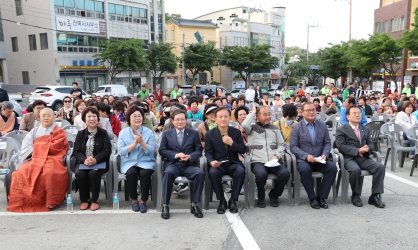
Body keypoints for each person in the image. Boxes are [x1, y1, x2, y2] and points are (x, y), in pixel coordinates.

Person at [7, 108, 69, 212]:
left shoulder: (59, 131)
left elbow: (57, 147)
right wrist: (42, 147)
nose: (46, 118)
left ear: (54, 117)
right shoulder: (34, 131)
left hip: (52, 158)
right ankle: (26, 200)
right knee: (21, 173)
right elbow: (26, 147)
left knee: (50, 172)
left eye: (49, 115)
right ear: (39, 117)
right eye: (43, 115)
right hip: (34, 158)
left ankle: (51, 201)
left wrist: (39, 146)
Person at [335, 105, 385, 208]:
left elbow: (371, 144)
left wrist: (368, 148)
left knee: (380, 167)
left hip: (363, 158)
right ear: (348, 116)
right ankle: (356, 195)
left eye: (359, 113)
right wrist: (358, 150)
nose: (357, 115)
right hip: (348, 158)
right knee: (355, 170)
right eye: (354, 113)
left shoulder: (365, 129)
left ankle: (374, 196)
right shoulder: (342, 129)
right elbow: (341, 146)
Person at [290, 102, 338, 209]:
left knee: (332, 168)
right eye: (308, 110)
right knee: (305, 170)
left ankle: (321, 197)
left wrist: (325, 154)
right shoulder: (297, 127)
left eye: (313, 109)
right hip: (304, 160)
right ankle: (312, 198)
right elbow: (293, 146)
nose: (311, 112)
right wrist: (306, 156)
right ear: (302, 113)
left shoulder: (322, 125)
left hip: (320, 158)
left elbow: (327, 143)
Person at [158, 109, 205, 219]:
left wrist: (190, 156)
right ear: (172, 121)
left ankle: (195, 204)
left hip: (188, 164)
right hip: (172, 164)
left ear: (186, 120)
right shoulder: (166, 134)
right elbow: (162, 150)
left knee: (200, 173)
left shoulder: (193, 133)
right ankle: (165, 205)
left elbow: (198, 150)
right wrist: (176, 155)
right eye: (177, 120)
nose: (180, 122)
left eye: (182, 119)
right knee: (168, 173)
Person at [243, 105, 290, 208]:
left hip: (273, 160)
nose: (268, 117)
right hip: (257, 161)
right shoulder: (252, 128)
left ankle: (274, 194)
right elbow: (245, 125)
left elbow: (281, 145)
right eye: (265, 115)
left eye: (269, 114)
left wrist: (277, 156)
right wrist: (252, 112)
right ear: (257, 116)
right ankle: (261, 196)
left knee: (285, 173)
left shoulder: (275, 129)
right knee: (261, 174)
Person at [205, 107, 247, 213]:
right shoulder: (210, 134)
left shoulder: (236, 132)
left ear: (229, 118)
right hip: (218, 163)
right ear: (215, 118)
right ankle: (221, 201)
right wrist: (211, 161)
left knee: (240, 171)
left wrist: (232, 143)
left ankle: (233, 200)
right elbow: (208, 152)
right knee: (213, 173)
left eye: (225, 117)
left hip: (233, 162)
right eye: (220, 117)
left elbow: (243, 149)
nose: (223, 119)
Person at [73, 106, 112, 211]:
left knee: (93, 173)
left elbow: (107, 150)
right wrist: (84, 159)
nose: (92, 119)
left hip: (100, 163)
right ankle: (85, 199)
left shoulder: (103, 133)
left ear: (98, 119)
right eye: (89, 116)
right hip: (83, 162)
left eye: (94, 116)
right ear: (84, 119)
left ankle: (95, 200)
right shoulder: (80, 134)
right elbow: (76, 151)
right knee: (80, 174)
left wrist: (95, 159)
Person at [118, 106, 155, 212]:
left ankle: (143, 201)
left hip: (146, 161)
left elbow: (151, 151)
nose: (137, 118)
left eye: (139, 116)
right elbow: (121, 151)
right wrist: (134, 144)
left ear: (143, 119)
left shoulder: (148, 132)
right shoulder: (123, 133)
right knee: (131, 174)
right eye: (134, 116)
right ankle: (134, 200)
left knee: (145, 174)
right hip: (129, 162)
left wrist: (142, 142)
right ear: (129, 118)